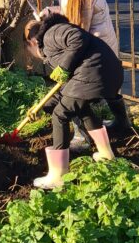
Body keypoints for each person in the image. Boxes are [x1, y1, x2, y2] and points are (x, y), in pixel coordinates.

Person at [43, 0, 131, 148]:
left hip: (94, 49)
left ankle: (81, 137)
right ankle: (122, 122)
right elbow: (71, 18)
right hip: (101, 45)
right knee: (109, 89)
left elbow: (77, 31)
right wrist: (52, 12)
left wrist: (67, 66)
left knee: (74, 93)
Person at [24, 12, 122, 190]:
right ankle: (106, 154)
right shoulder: (55, 39)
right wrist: (42, 106)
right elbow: (68, 88)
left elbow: (77, 38)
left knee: (60, 115)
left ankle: (58, 175)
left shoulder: (52, 34)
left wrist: (63, 67)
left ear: (32, 42)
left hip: (94, 74)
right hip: (105, 74)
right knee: (81, 108)